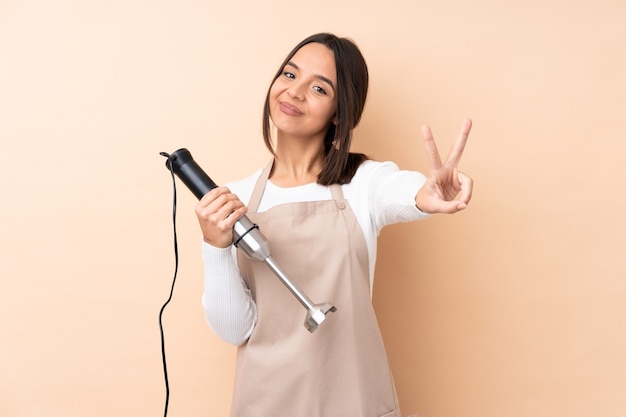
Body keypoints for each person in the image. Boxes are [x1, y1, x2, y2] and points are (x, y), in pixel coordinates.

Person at [195, 32, 473, 417]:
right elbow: (235, 331)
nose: (294, 93)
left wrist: (429, 194)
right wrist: (215, 247)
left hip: (353, 400)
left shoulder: (363, 184)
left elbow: (408, 192)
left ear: (340, 112)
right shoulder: (231, 202)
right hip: (267, 402)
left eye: (319, 88)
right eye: (289, 76)